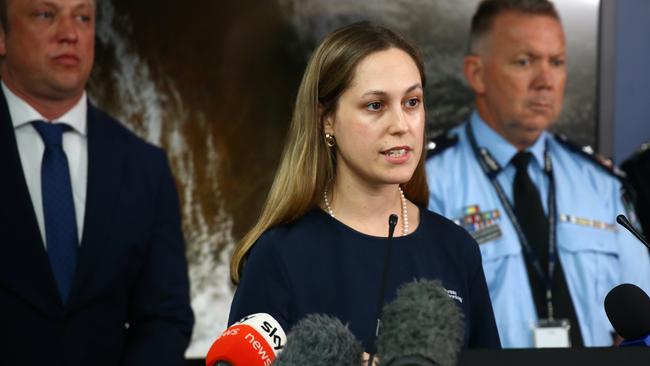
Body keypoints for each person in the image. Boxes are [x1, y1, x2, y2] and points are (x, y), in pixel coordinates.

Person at [228, 22, 501, 353]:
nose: (401, 125)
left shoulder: (457, 249)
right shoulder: (279, 255)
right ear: (325, 120)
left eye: (412, 102)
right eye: (376, 105)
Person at [425, 0, 650, 348]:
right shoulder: (429, 184)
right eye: (524, 61)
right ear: (477, 73)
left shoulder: (602, 185)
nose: (545, 81)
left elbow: (641, 316)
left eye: (557, 62)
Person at [0, 0, 194, 364]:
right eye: (46, 14)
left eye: (83, 17)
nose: (70, 34)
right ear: (2, 36)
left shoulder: (144, 167)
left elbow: (165, 318)